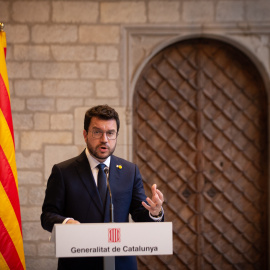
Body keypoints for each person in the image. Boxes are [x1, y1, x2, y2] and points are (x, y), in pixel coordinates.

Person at [41, 104, 164, 270]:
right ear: (85, 135)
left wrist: (154, 213)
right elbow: (47, 216)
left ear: (116, 136)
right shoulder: (63, 172)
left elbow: (139, 213)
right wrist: (66, 222)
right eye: (97, 132)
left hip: (121, 264)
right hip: (79, 264)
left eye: (110, 133)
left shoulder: (129, 171)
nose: (104, 139)